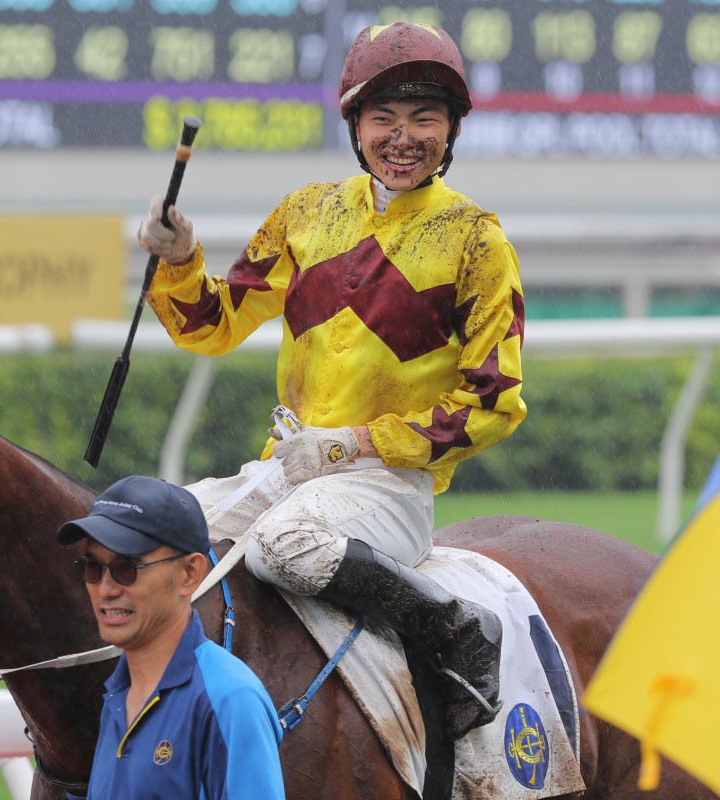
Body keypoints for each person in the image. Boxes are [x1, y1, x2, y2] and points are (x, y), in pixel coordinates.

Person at [136, 21, 527, 740]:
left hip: (388, 488)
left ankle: (452, 628)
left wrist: (352, 445)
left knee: (281, 546)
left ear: (451, 131)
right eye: (383, 118)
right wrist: (181, 256)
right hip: (284, 472)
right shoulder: (306, 214)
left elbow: (492, 404)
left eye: (424, 119)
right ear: (355, 125)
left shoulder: (476, 241)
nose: (402, 137)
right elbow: (211, 324)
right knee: (147, 534)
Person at [56, 475, 286, 800]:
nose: (105, 589)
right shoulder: (117, 697)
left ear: (190, 574)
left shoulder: (230, 699)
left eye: (126, 568)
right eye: (93, 568)